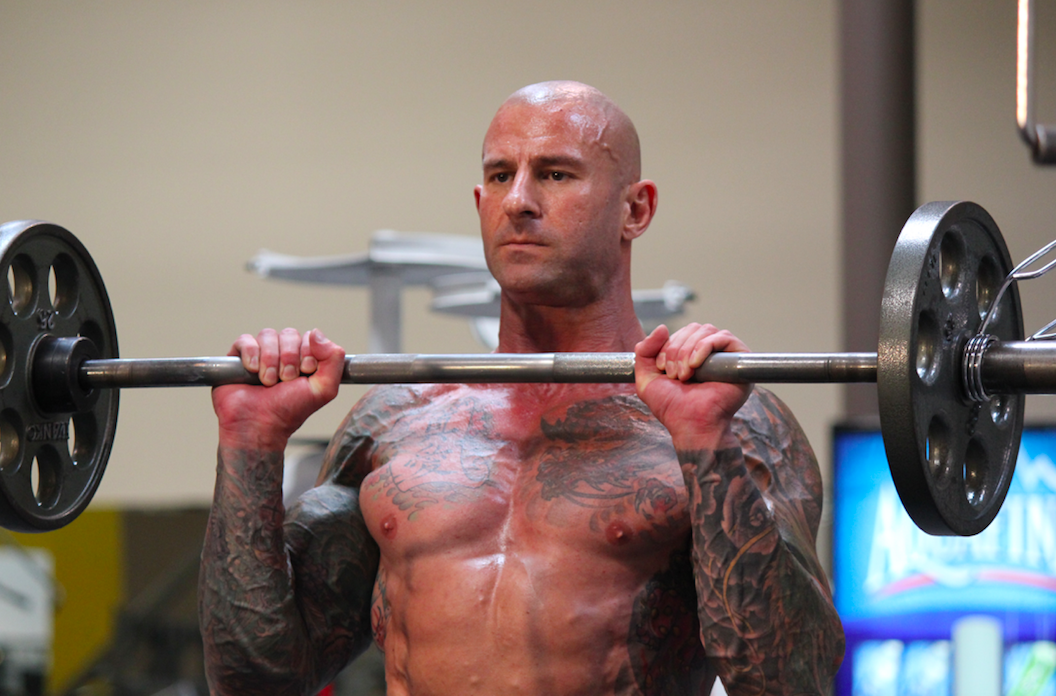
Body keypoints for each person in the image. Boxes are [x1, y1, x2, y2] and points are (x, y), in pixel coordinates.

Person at [198, 81, 845, 695]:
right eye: (500, 175)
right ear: (479, 204)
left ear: (636, 208)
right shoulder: (394, 423)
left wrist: (706, 445)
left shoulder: (731, 419)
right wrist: (249, 446)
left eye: (556, 174)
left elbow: (790, 683)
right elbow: (257, 682)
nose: (519, 201)